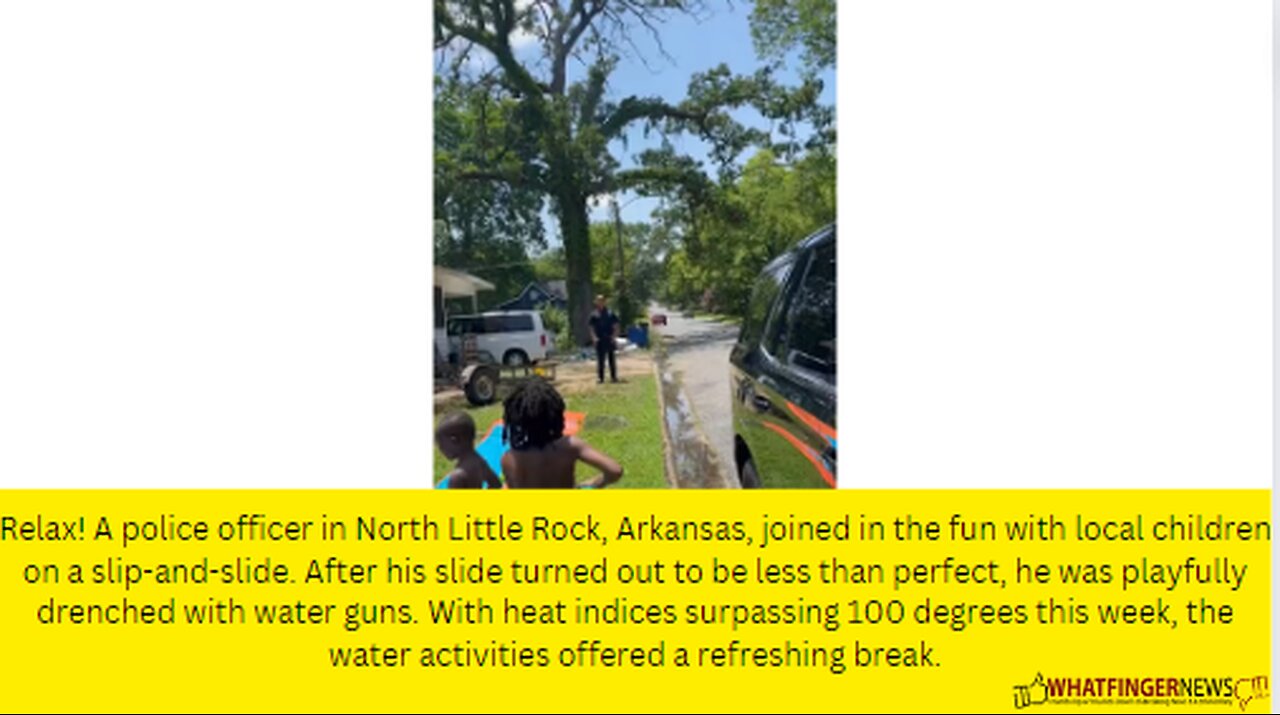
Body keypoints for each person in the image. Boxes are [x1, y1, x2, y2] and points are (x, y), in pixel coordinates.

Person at [500, 379, 623, 489]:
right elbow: (615, 470)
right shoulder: (570, 446)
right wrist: (593, 484)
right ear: (555, 414)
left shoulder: (509, 457)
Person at [435, 411, 503, 489]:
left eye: (441, 445)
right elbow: (496, 484)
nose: (441, 449)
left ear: (454, 440)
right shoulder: (480, 462)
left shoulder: (457, 476)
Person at [588, 294, 620, 383]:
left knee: (611, 359)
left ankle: (613, 377)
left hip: (609, 338)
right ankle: (600, 378)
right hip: (599, 339)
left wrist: (614, 336)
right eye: (598, 301)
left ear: (605, 302)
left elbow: (616, 326)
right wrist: (594, 338)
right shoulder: (594, 314)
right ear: (596, 302)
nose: (600, 303)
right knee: (600, 360)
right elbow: (591, 328)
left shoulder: (610, 313)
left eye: (602, 301)